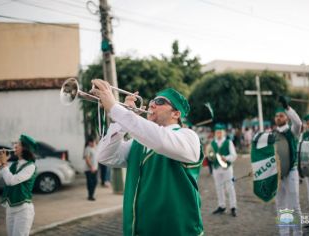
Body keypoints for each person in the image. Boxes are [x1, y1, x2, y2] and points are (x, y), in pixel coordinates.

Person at [92, 79, 204, 236]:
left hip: (178, 230)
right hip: (139, 229)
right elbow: (104, 156)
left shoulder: (188, 136)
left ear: (176, 114)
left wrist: (115, 109)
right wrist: (123, 121)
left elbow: (160, 140)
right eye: (152, 100)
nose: (152, 104)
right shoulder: (137, 142)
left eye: (159, 101)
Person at [0, 134, 37, 236]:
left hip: (23, 210)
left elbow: (11, 181)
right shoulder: (14, 164)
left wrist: (4, 164)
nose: (14, 146)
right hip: (10, 208)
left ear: (24, 149)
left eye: (17, 144)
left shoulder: (30, 166)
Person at [273, 96, 303, 236]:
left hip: (291, 172)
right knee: (280, 206)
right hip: (277, 174)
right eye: (276, 116)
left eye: (281, 115)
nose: (278, 118)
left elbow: (298, 123)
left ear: (286, 118)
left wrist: (287, 108)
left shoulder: (292, 132)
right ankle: (284, 233)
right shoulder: (272, 134)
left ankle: (298, 233)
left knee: (294, 205)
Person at [207, 123, 238, 217]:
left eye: (220, 132)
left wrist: (227, 158)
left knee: (230, 187)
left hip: (227, 168)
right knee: (218, 187)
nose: (219, 134)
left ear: (223, 132)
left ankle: (233, 207)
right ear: (215, 133)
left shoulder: (228, 142)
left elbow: (234, 155)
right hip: (216, 168)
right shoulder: (212, 143)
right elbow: (210, 155)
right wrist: (209, 157)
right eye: (217, 132)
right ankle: (222, 206)